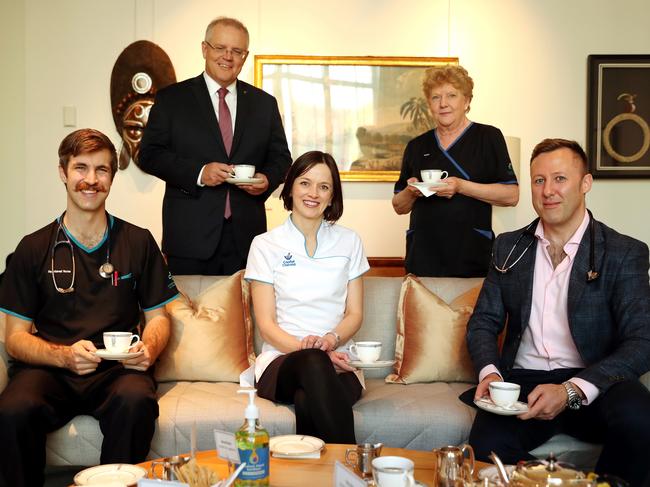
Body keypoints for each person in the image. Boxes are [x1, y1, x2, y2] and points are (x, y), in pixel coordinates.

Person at [464, 139, 650, 486]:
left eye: (560, 179)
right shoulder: (507, 246)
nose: (548, 191)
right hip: (523, 385)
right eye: (538, 180)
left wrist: (570, 390)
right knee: (485, 446)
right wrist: (490, 373)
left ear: (585, 184)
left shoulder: (625, 252)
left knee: (641, 420)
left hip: (595, 382)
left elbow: (642, 341)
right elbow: (483, 323)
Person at [0, 129, 179, 487]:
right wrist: (64, 356)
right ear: (63, 173)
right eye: (81, 168)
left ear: (112, 177)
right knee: (13, 410)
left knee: (136, 401)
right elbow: (14, 339)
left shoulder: (137, 241)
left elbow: (159, 318)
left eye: (102, 170)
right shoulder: (33, 249)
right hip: (52, 367)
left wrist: (150, 348)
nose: (91, 180)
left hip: (118, 369)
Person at [139, 16, 291, 276]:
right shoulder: (172, 99)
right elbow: (149, 155)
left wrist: (266, 179)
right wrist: (199, 173)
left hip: (247, 239)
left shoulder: (264, 104)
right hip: (189, 238)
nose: (228, 57)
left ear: (245, 56)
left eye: (237, 51)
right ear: (204, 49)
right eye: (220, 48)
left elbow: (281, 158)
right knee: (188, 316)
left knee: (244, 316)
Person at [244, 151, 369, 443]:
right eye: (305, 183)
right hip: (281, 361)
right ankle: (352, 472)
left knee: (306, 399)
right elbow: (267, 325)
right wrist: (314, 351)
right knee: (313, 361)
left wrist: (331, 342)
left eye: (323, 186)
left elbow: (355, 314)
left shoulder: (350, 241)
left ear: (332, 195)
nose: (313, 193)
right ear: (290, 188)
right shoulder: (264, 245)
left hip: (339, 362)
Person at [392, 65, 519, 277]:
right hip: (423, 256)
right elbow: (398, 206)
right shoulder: (416, 146)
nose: (443, 104)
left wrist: (461, 186)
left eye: (451, 95)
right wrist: (412, 191)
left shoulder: (488, 138)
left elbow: (511, 195)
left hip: (471, 255)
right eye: (435, 97)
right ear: (429, 104)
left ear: (466, 101)